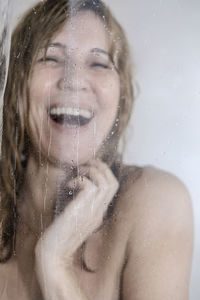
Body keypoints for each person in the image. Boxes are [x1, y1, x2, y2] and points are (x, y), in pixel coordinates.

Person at [0, 0, 193, 299]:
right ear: (16, 86)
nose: (74, 80)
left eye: (99, 63)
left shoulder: (156, 201)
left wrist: (56, 263)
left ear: (121, 97)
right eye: (50, 58)